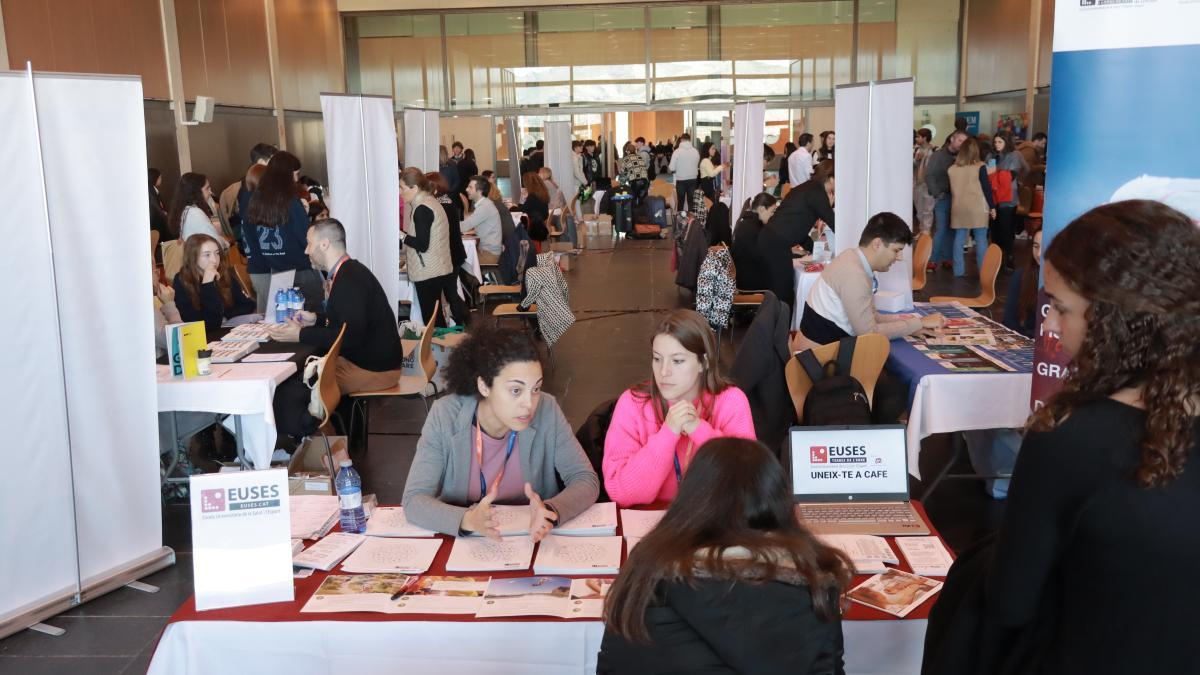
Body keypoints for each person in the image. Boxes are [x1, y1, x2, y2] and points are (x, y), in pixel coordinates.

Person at [954, 199, 1200, 674]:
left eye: (1060, 309)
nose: (1046, 326)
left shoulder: (1071, 440)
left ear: (1118, 319)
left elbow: (1009, 602)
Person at [598, 437, 853, 674]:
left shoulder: (645, 572)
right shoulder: (817, 581)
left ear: (692, 499)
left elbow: (613, 665)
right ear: (779, 501)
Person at [402, 324, 600, 539]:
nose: (529, 404)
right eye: (516, 390)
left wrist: (550, 511)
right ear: (484, 386)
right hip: (467, 541)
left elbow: (585, 479)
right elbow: (414, 499)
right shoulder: (446, 416)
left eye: (536, 389)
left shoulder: (547, 409)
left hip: (531, 538)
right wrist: (468, 519)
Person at [603, 310, 756, 507]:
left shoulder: (731, 401)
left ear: (704, 363)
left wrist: (699, 430)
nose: (664, 372)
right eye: (657, 359)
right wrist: (668, 433)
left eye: (677, 361)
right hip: (649, 525)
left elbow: (747, 484)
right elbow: (621, 492)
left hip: (714, 522)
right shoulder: (633, 403)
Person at [266, 218, 405, 395]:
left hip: (375, 369)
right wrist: (316, 319)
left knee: (296, 389)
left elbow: (349, 338)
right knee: (303, 376)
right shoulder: (348, 272)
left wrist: (300, 334)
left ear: (324, 244)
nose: (306, 250)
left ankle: (326, 422)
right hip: (370, 361)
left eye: (309, 244)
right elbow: (346, 321)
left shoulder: (349, 280)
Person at [797, 211, 945, 349]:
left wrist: (914, 326)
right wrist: (918, 322)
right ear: (877, 244)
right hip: (818, 362)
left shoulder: (851, 257)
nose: (899, 258)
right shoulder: (854, 274)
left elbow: (871, 317)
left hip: (820, 352)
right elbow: (869, 333)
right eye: (896, 250)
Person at [244, 150, 324, 311]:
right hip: (302, 268)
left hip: (276, 270)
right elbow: (304, 236)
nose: (296, 179)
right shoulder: (291, 201)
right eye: (295, 174)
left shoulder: (255, 200)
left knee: (281, 317)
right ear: (286, 175)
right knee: (313, 315)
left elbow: (250, 237)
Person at [399, 167, 466, 327]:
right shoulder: (429, 202)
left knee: (432, 319)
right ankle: (442, 348)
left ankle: (438, 349)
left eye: (402, 188)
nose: (400, 193)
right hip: (436, 267)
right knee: (436, 317)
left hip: (428, 270)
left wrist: (401, 235)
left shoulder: (422, 208)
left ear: (414, 188)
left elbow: (422, 245)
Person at [172, 234, 255, 331]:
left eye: (217, 253)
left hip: (228, 331)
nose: (214, 260)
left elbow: (248, 305)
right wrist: (208, 284)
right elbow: (207, 324)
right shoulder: (181, 280)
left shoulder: (223, 272)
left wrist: (224, 313)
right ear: (193, 257)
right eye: (207, 255)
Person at [947, 139, 995, 277]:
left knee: (959, 238)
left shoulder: (952, 169)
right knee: (981, 239)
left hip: (958, 207)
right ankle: (983, 272)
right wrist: (992, 206)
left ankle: (958, 271)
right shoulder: (980, 167)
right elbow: (987, 189)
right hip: (978, 208)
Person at [924, 130, 969, 270]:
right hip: (944, 196)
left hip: (958, 199)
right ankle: (933, 259)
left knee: (952, 230)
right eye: (960, 140)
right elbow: (929, 176)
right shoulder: (938, 156)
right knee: (942, 229)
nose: (962, 144)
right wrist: (937, 194)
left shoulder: (964, 157)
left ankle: (948, 258)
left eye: (964, 141)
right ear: (952, 139)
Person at [772, 160, 835, 253]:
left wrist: (815, 251)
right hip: (777, 242)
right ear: (831, 178)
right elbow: (833, 223)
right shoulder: (817, 192)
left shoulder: (809, 187)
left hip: (775, 239)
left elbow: (799, 226)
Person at [219, 142, 276, 243]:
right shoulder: (248, 189)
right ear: (261, 162)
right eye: (273, 162)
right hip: (258, 247)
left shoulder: (250, 184)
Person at [986, 131, 1027, 270]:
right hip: (994, 197)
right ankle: (997, 259)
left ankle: (1009, 258)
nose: (997, 145)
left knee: (1006, 230)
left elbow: (1013, 175)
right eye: (995, 142)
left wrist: (997, 173)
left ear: (1006, 142)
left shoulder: (1014, 155)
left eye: (1000, 142)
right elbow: (989, 176)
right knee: (995, 231)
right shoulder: (991, 156)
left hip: (1008, 198)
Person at [730, 193, 777, 293]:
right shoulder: (751, 228)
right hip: (748, 282)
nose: (773, 215)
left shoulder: (748, 222)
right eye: (772, 211)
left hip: (745, 275)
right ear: (761, 209)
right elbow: (762, 256)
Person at [1001, 225, 1042, 337]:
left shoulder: (1069, 283)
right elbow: (1009, 320)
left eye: (1045, 246)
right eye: (1036, 246)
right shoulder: (1021, 275)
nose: (1039, 254)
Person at [427, 171, 468, 278]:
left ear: (434, 188)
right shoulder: (446, 202)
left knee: (450, 292)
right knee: (451, 292)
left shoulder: (441, 206)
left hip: (449, 255)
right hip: (453, 254)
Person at [169, 173, 226, 248]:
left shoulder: (186, 211)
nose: (210, 192)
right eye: (207, 188)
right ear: (196, 191)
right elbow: (214, 243)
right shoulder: (195, 213)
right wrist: (225, 241)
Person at [462, 175, 502, 265]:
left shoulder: (484, 207)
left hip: (489, 254)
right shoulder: (485, 204)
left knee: (459, 265)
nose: (466, 189)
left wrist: (445, 223)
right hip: (487, 250)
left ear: (479, 191)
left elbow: (464, 226)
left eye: (470, 187)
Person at [668, 133, 701, 213]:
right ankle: (691, 222)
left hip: (681, 180)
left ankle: (680, 222)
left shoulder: (677, 152)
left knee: (681, 202)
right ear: (690, 140)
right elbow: (697, 164)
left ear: (681, 140)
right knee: (691, 202)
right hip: (693, 179)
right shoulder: (695, 151)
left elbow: (671, 168)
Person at [514, 171, 550, 243]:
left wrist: (515, 206)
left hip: (534, 226)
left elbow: (522, 210)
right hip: (542, 219)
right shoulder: (542, 193)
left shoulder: (533, 197)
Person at [913, 128, 936, 238]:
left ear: (925, 138)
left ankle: (926, 231)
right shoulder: (916, 150)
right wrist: (916, 160)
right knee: (919, 209)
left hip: (928, 184)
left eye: (918, 137)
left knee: (928, 209)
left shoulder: (933, 150)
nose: (916, 139)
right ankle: (922, 229)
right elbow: (913, 166)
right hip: (917, 183)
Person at [149, 168, 170, 242]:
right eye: (160, 177)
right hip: (157, 226)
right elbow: (156, 209)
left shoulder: (153, 191)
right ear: (155, 178)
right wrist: (164, 214)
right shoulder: (150, 192)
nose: (161, 180)